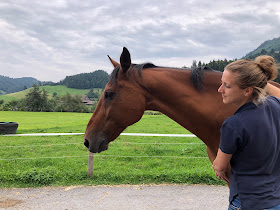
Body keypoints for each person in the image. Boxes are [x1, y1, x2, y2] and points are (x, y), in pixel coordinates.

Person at [212, 55, 280, 210]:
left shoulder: (234, 124)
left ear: (248, 90)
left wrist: (218, 168)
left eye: (227, 85)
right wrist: (260, 82)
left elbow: (220, 166)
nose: (220, 89)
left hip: (247, 202)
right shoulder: (276, 105)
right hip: (275, 200)